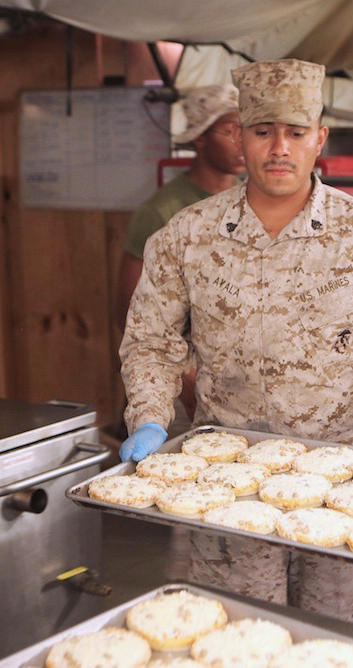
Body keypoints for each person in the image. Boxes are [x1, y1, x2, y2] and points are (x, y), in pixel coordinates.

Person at [119, 59, 353, 622]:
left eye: (296, 133)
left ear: (319, 139)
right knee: (247, 632)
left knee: (330, 636)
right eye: (262, 131)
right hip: (229, 481)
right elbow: (150, 341)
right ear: (240, 137)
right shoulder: (186, 237)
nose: (279, 148)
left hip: (341, 479)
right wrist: (150, 415)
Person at [115, 84, 244, 430]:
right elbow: (131, 310)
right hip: (177, 385)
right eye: (229, 130)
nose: (241, 140)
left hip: (236, 385)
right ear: (200, 138)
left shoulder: (253, 203)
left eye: (247, 129)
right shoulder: (163, 211)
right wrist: (186, 383)